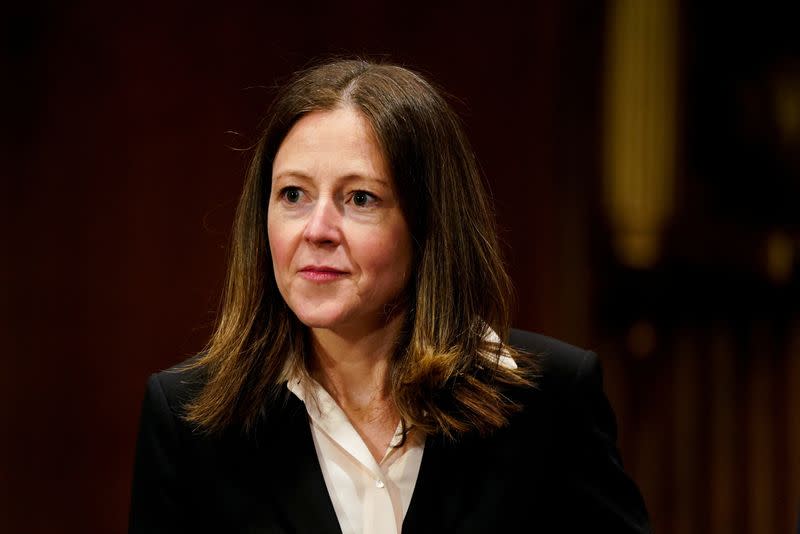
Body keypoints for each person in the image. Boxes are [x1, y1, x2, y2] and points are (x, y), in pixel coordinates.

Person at [129, 58, 651, 533]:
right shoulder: (188, 416)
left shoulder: (550, 401)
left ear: (428, 225)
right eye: (293, 194)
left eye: (360, 198)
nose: (317, 229)